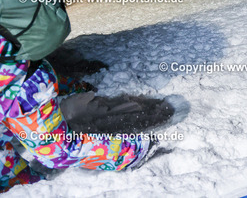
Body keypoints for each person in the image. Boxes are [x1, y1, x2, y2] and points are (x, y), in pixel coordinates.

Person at [0, 37, 155, 191]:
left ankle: (136, 151)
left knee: (57, 152)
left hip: (21, 90)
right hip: (17, 84)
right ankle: (19, 183)